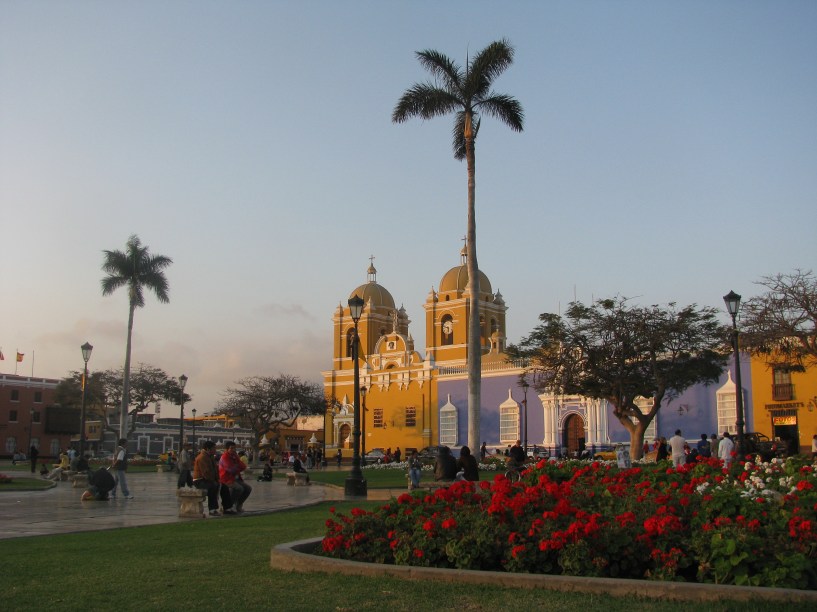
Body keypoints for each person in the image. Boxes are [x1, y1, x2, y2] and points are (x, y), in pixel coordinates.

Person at [193, 441, 228, 516]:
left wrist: (218, 479)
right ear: (208, 449)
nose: (215, 450)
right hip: (199, 480)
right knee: (213, 486)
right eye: (214, 448)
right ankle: (212, 509)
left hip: (208, 479)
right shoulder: (202, 457)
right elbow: (206, 473)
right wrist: (215, 481)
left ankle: (227, 507)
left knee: (224, 486)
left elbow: (215, 470)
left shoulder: (210, 456)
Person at [219, 441, 251, 513]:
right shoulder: (224, 457)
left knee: (248, 488)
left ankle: (238, 505)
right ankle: (227, 505)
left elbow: (242, 465)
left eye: (234, 448)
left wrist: (238, 467)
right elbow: (231, 469)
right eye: (231, 448)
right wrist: (238, 468)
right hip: (226, 479)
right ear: (227, 449)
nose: (233, 450)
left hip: (234, 478)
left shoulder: (235, 456)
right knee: (239, 488)